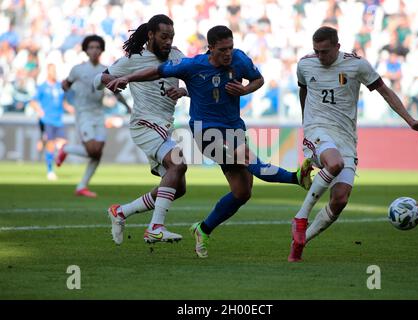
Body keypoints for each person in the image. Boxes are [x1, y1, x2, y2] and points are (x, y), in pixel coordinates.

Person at [107, 25, 302, 258]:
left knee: (242, 192)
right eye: (222, 49)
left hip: (234, 128)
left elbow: (258, 79)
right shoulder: (192, 65)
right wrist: (127, 77)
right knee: (250, 162)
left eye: (230, 47)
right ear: (210, 48)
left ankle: (203, 229)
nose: (228, 53)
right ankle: (297, 177)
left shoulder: (239, 59)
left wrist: (246, 89)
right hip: (206, 132)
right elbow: (156, 71)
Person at [290, 26, 418, 262]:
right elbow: (303, 92)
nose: (320, 56)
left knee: (340, 199)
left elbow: (385, 92)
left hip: (345, 138)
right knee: (334, 163)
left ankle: (300, 243)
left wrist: (410, 121)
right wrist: (307, 122)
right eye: (316, 51)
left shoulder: (357, 66)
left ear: (337, 46)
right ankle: (301, 218)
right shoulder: (305, 64)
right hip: (317, 130)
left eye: (325, 51)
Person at [94, 15, 188, 245]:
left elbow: (195, 80)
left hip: (165, 125)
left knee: (178, 187)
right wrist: (112, 81)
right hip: (144, 123)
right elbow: (100, 76)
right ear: (151, 35)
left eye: (171, 37)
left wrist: (184, 91)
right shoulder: (133, 59)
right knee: (178, 163)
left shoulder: (177, 55)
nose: (168, 41)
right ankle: (155, 227)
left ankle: (121, 212)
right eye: (164, 37)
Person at [58, 35, 130, 197]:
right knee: (92, 150)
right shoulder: (77, 69)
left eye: (97, 47)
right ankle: (66, 149)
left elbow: (115, 90)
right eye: (91, 47)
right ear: (85, 50)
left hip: (99, 114)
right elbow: (66, 85)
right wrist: (65, 89)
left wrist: (127, 106)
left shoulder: (106, 70)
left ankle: (82, 186)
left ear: (102, 50)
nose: (94, 50)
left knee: (97, 152)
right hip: (83, 113)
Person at [29, 63, 74, 180]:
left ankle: (43, 140)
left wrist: (70, 108)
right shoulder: (42, 87)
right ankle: (50, 171)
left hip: (58, 120)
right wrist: (39, 110)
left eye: (55, 70)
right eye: (52, 71)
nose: (54, 73)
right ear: (47, 72)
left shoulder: (60, 86)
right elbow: (33, 101)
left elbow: (64, 102)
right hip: (47, 119)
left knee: (63, 144)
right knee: (51, 145)